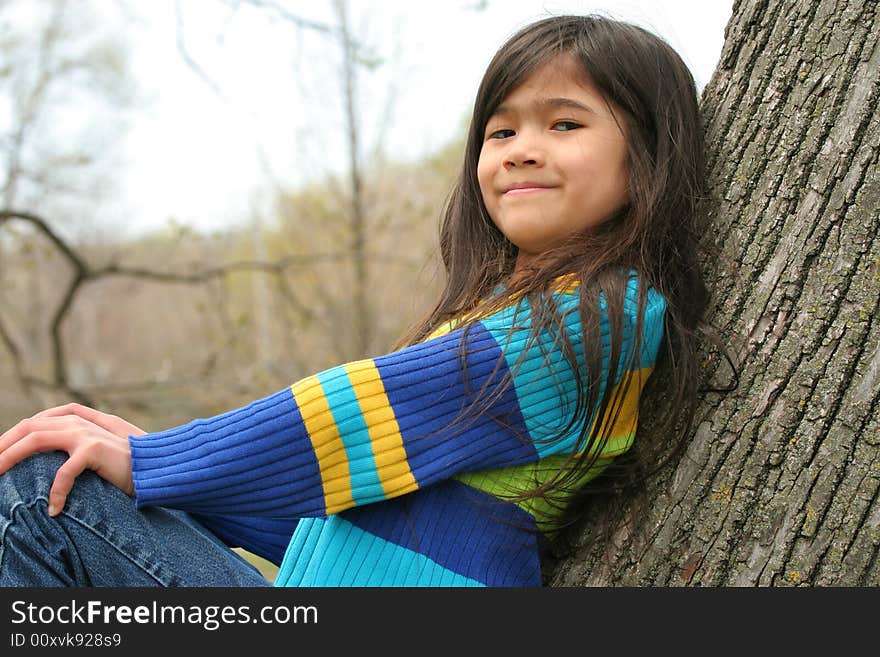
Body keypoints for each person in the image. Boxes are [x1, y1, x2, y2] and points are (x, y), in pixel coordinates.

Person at [0, 13, 711, 587]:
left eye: (564, 124)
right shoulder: (496, 309)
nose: (521, 149)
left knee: (43, 490)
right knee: (61, 478)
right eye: (501, 131)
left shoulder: (603, 319)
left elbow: (358, 409)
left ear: (646, 154)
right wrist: (158, 470)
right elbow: (350, 522)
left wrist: (157, 462)